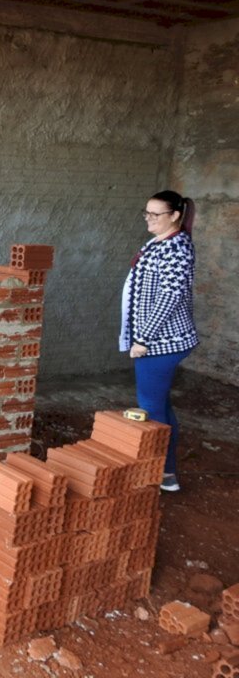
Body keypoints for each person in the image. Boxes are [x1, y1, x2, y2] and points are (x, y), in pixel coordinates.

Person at [119, 190, 198, 493]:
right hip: (159, 339)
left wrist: (143, 338)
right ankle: (167, 470)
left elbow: (170, 296)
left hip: (163, 341)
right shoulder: (162, 242)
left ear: (175, 215)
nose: (149, 219)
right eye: (147, 213)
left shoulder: (176, 247)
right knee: (160, 405)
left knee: (150, 408)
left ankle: (163, 473)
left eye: (156, 214)